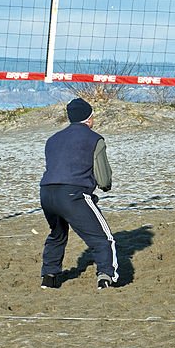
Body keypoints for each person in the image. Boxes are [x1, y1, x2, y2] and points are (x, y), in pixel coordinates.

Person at [39, 97, 118, 290]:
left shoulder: (52, 139)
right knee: (102, 238)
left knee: (57, 235)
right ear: (89, 119)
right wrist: (105, 186)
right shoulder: (94, 139)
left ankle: (49, 277)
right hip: (73, 193)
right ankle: (106, 277)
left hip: (46, 193)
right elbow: (103, 178)